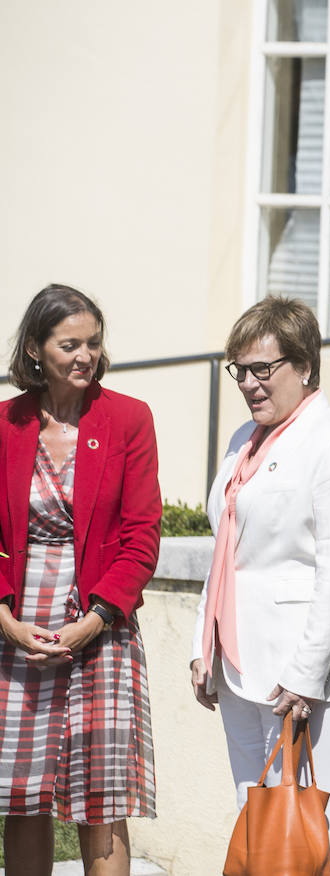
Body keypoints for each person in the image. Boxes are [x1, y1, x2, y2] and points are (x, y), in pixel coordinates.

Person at [190, 296, 330, 875]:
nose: (248, 383)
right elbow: (227, 550)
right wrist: (204, 642)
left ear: (305, 367)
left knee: (313, 833)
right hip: (239, 665)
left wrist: (307, 673)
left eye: (262, 369)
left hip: (302, 672)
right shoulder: (242, 439)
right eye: (239, 370)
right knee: (259, 825)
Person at [0, 284, 159, 876]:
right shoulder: (5, 424)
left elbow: (142, 537)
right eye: (70, 344)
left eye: (93, 343)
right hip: (16, 630)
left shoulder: (128, 419)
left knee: (100, 797)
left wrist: (93, 621)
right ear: (37, 350)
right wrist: (6, 621)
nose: (84, 356)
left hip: (100, 624)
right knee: (22, 795)